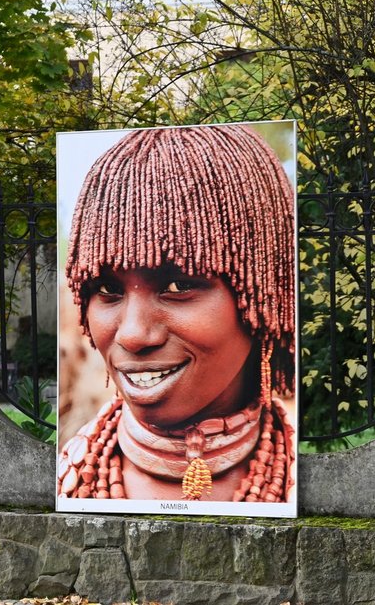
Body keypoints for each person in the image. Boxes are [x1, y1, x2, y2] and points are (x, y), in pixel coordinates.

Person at [57, 124, 296, 502]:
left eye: (178, 286)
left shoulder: (304, 470)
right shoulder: (72, 475)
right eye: (107, 290)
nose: (132, 335)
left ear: (266, 292)